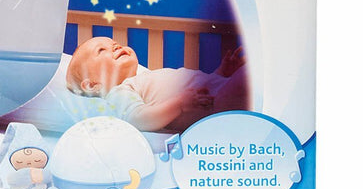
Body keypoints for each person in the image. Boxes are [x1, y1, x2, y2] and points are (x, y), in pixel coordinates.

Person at [66, 36, 248, 131]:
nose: (115, 46)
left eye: (115, 43)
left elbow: (203, 87)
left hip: (219, 92)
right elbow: (137, 118)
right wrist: (180, 104)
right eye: (101, 50)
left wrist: (221, 73)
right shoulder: (120, 91)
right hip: (216, 105)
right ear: (92, 85)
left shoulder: (144, 78)